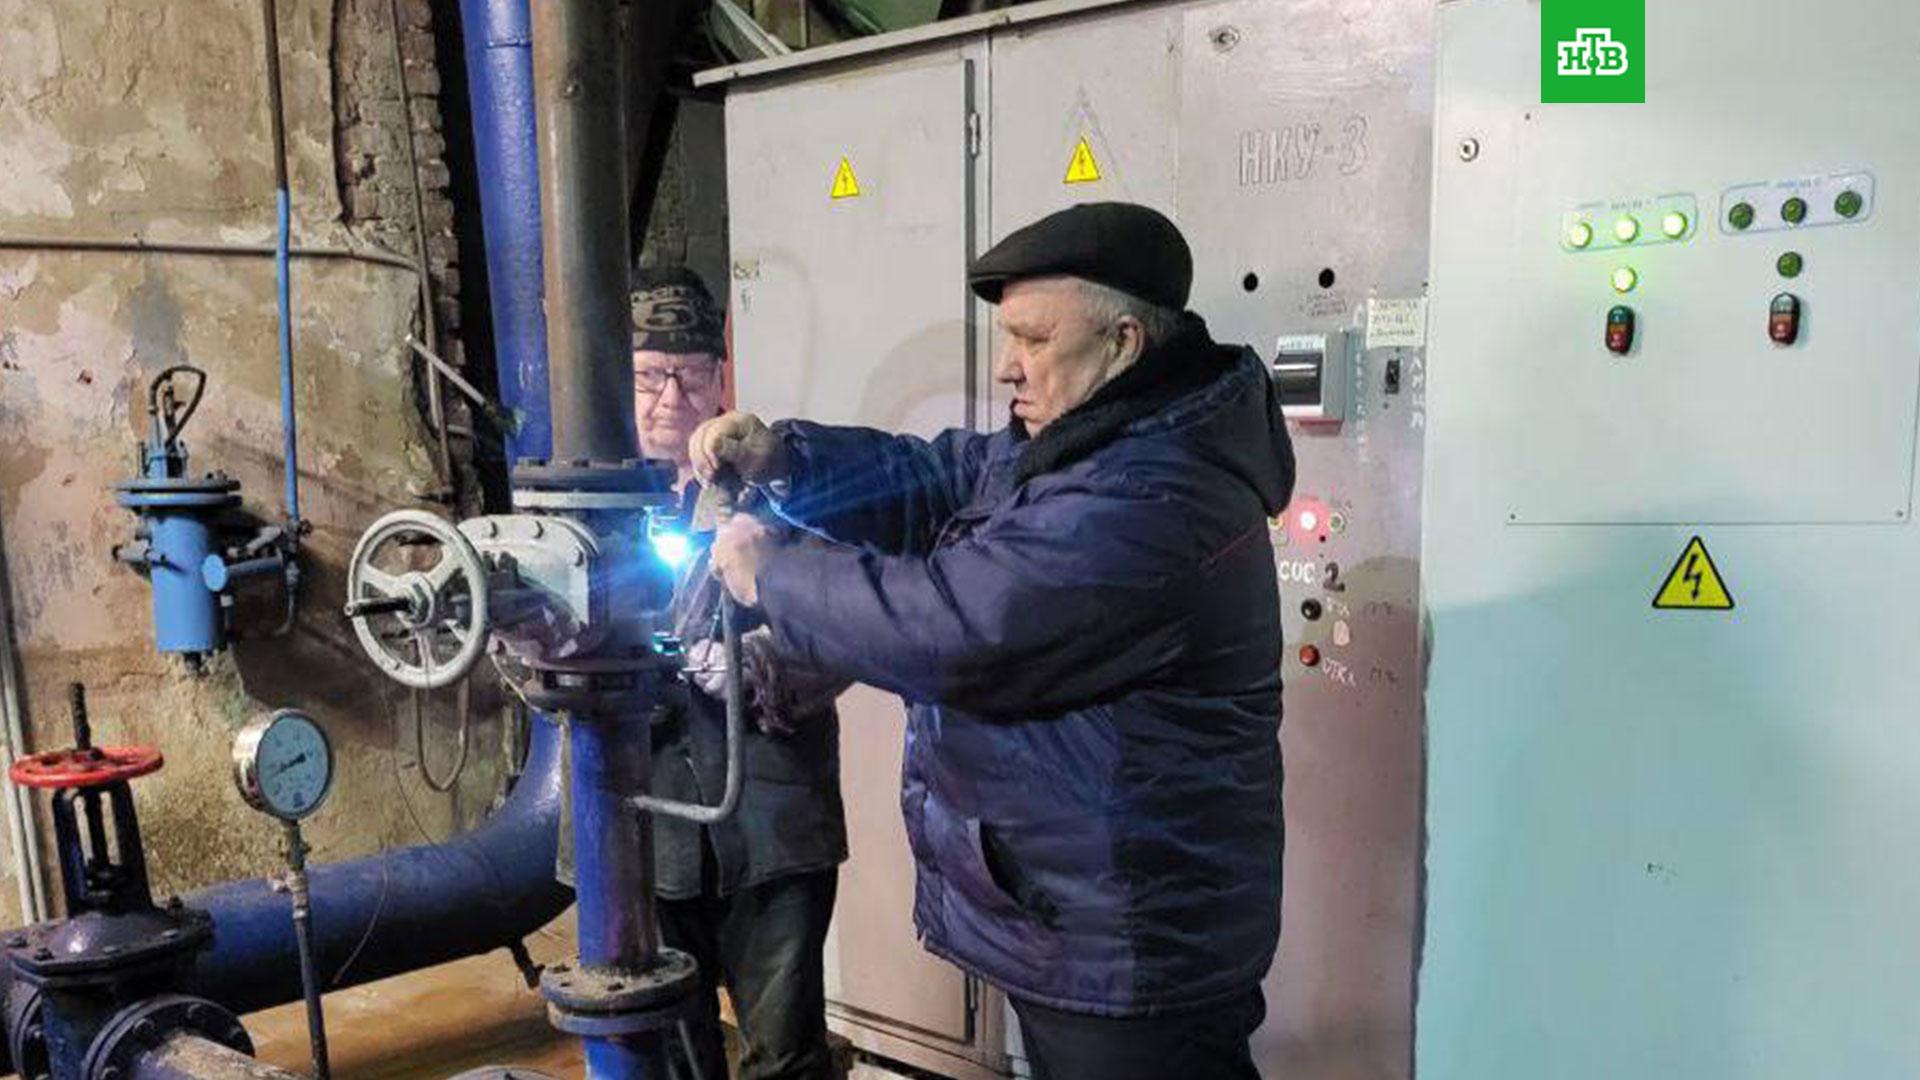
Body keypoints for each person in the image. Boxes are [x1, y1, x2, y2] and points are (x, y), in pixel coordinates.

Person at [690, 203, 1294, 1080]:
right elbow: (943, 478)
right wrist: (790, 461)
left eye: (1034, 339)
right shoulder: (1087, 441)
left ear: (1123, 342)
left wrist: (772, 575)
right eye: (1007, 336)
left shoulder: (1151, 496)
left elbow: (958, 629)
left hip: (1129, 936)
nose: (1008, 365)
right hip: (1082, 914)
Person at [629, 266, 848, 1080]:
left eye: (691, 376)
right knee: (665, 1051)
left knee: (784, 1058)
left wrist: (758, 665)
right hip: (639, 824)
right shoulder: (581, 502)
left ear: (721, 377)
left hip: (770, 820)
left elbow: (850, 624)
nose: (671, 398)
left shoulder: (781, 486)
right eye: (650, 376)